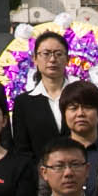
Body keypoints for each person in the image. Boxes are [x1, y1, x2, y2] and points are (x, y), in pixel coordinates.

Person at [9, 27, 75, 159]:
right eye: (46, 53)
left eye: (58, 54)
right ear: (35, 59)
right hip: (39, 176)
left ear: (67, 59)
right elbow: (22, 150)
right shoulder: (24, 103)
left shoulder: (80, 97)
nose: (52, 59)